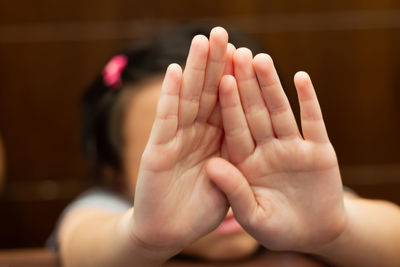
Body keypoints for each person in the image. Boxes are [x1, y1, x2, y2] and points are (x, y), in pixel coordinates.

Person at [52, 25, 400, 267]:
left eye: (242, 141)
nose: (224, 175)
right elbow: (83, 247)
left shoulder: (297, 204)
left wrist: (336, 231)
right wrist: (140, 238)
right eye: (181, 154)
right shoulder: (111, 207)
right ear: (116, 176)